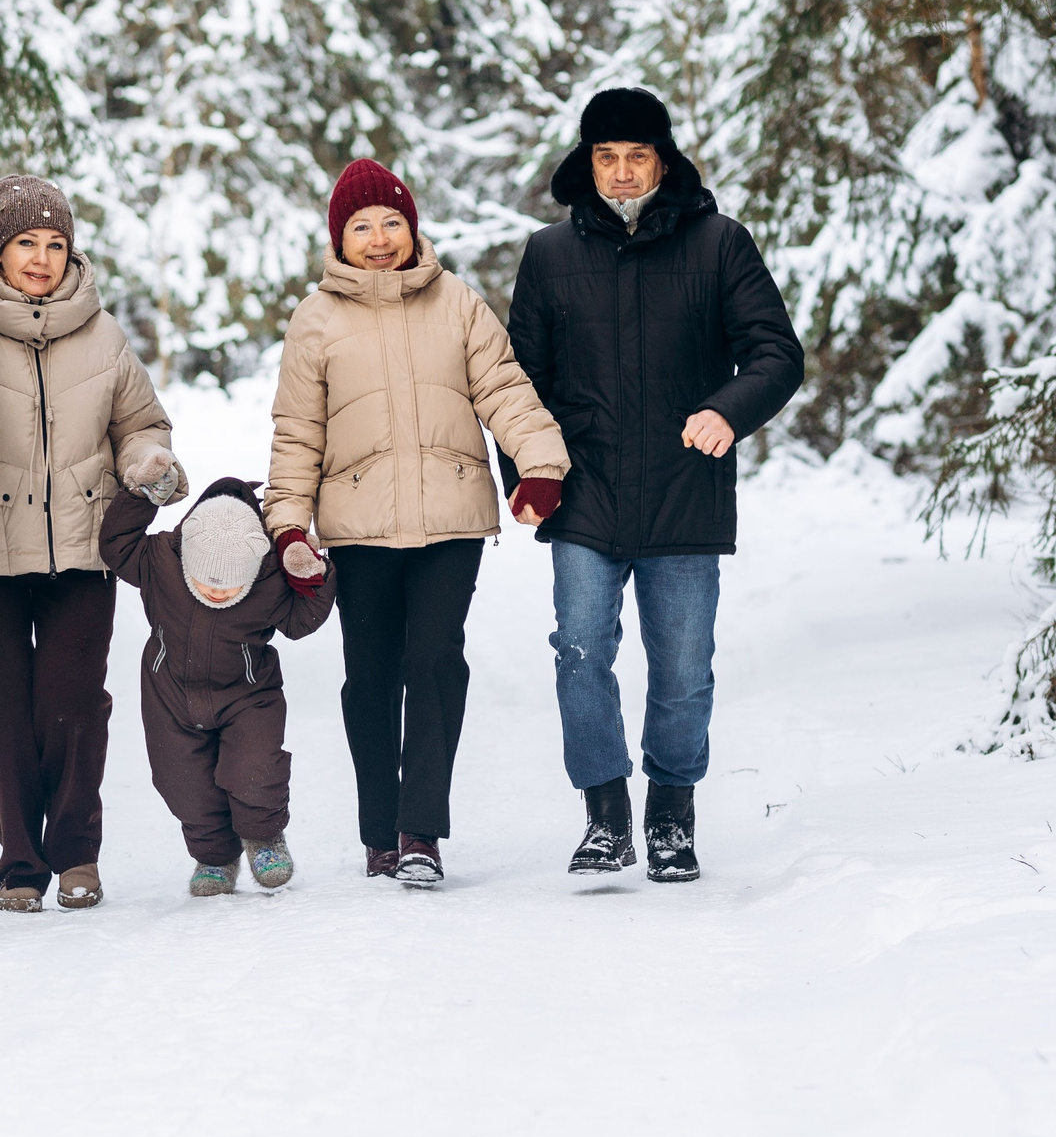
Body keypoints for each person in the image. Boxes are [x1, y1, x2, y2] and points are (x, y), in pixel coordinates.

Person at [507, 86, 804, 882]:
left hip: (684, 490)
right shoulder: (549, 256)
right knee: (579, 653)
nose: (623, 172)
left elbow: (777, 354)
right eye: (608, 157)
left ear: (663, 161)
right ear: (588, 163)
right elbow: (517, 380)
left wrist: (727, 410)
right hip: (585, 492)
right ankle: (606, 816)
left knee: (681, 667)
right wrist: (526, 470)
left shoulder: (719, 245)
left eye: (638, 156)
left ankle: (672, 813)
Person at [266, 159, 570, 885]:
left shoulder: (458, 303)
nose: (378, 239)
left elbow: (504, 388)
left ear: (412, 227)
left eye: (391, 223)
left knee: (435, 662)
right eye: (361, 227)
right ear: (340, 238)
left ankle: (420, 833)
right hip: (359, 527)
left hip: (449, 519)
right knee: (370, 677)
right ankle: (379, 830)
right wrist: (288, 524)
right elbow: (296, 430)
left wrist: (540, 463)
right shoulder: (316, 320)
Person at [0, 174, 185, 913]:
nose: (41, 258)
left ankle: (76, 852)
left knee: (71, 702)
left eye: (55, 244)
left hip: (80, 546)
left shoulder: (101, 334)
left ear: (72, 251)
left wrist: (149, 465)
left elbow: (141, 424)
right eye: (26, 243)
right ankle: (19, 861)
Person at [99, 478, 337, 897]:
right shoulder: (161, 560)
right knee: (180, 781)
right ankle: (213, 856)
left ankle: (264, 839)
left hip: (248, 695)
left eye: (229, 584)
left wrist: (315, 573)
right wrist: (141, 495)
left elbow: (300, 622)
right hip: (169, 693)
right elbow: (116, 544)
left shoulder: (268, 577)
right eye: (207, 579)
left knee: (255, 770)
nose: (215, 591)